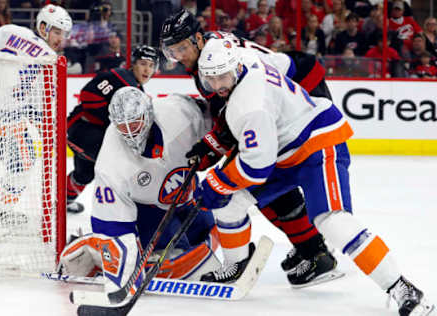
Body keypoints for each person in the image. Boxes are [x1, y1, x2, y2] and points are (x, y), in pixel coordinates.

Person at [194, 37, 435, 316]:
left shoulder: (246, 105)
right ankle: (236, 266)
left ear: (235, 68)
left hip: (317, 144)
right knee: (230, 201)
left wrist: (216, 182)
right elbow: (288, 64)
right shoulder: (250, 60)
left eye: (222, 76)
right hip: (281, 149)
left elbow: (255, 167)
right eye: (210, 78)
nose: (217, 85)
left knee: (332, 221)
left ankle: (403, 288)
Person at [160, 10, 341, 287]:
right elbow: (231, 115)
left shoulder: (214, 60)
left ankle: (314, 252)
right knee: (260, 185)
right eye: (173, 51)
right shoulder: (209, 56)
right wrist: (212, 145)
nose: (179, 56)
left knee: (260, 181)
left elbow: (242, 110)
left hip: (302, 91)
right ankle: (310, 246)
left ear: (198, 39)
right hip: (290, 92)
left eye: (182, 48)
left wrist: (215, 146)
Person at [59, 87, 221, 289]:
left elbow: (219, 119)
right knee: (179, 255)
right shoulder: (110, 163)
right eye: (123, 127)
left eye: (135, 123)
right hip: (147, 210)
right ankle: (93, 248)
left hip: (187, 193)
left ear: (149, 114)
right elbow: (112, 225)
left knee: (207, 232)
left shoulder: (180, 113)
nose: (130, 132)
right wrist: (125, 274)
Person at [0, 4, 72, 225]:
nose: (60, 38)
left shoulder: (12, 32)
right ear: (42, 27)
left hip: (7, 120)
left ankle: (1, 210)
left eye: (63, 34)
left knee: (24, 160)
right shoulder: (47, 58)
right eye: (57, 31)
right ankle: (1, 210)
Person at [66, 45, 158, 213]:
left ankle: (62, 201)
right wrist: (111, 122)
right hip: (82, 130)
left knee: (84, 174)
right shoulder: (120, 77)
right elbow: (88, 95)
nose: (147, 70)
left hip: (91, 133)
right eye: (143, 64)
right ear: (133, 64)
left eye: (151, 66)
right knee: (120, 168)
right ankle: (122, 212)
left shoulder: (137, 89)